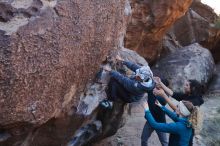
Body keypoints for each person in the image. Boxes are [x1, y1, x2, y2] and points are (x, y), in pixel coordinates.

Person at [154, 77, 204, 146]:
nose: (184, 86)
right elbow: (173, 94)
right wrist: (161, 83)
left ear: (193, 88)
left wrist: (164, 95)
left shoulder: (196, 100)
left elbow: (178, 110)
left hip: (186, 127)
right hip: (181, 122)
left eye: (187, 85)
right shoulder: (187, 95)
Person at [141, 78, 169, 146]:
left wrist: (156, 93)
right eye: (156, 83)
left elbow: (163, 101)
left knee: (164, 142)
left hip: (160, 122)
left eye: (158, 83)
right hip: (150, 120)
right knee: (143, 139)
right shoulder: (151, 89)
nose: (156, 84)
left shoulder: (164, 96)